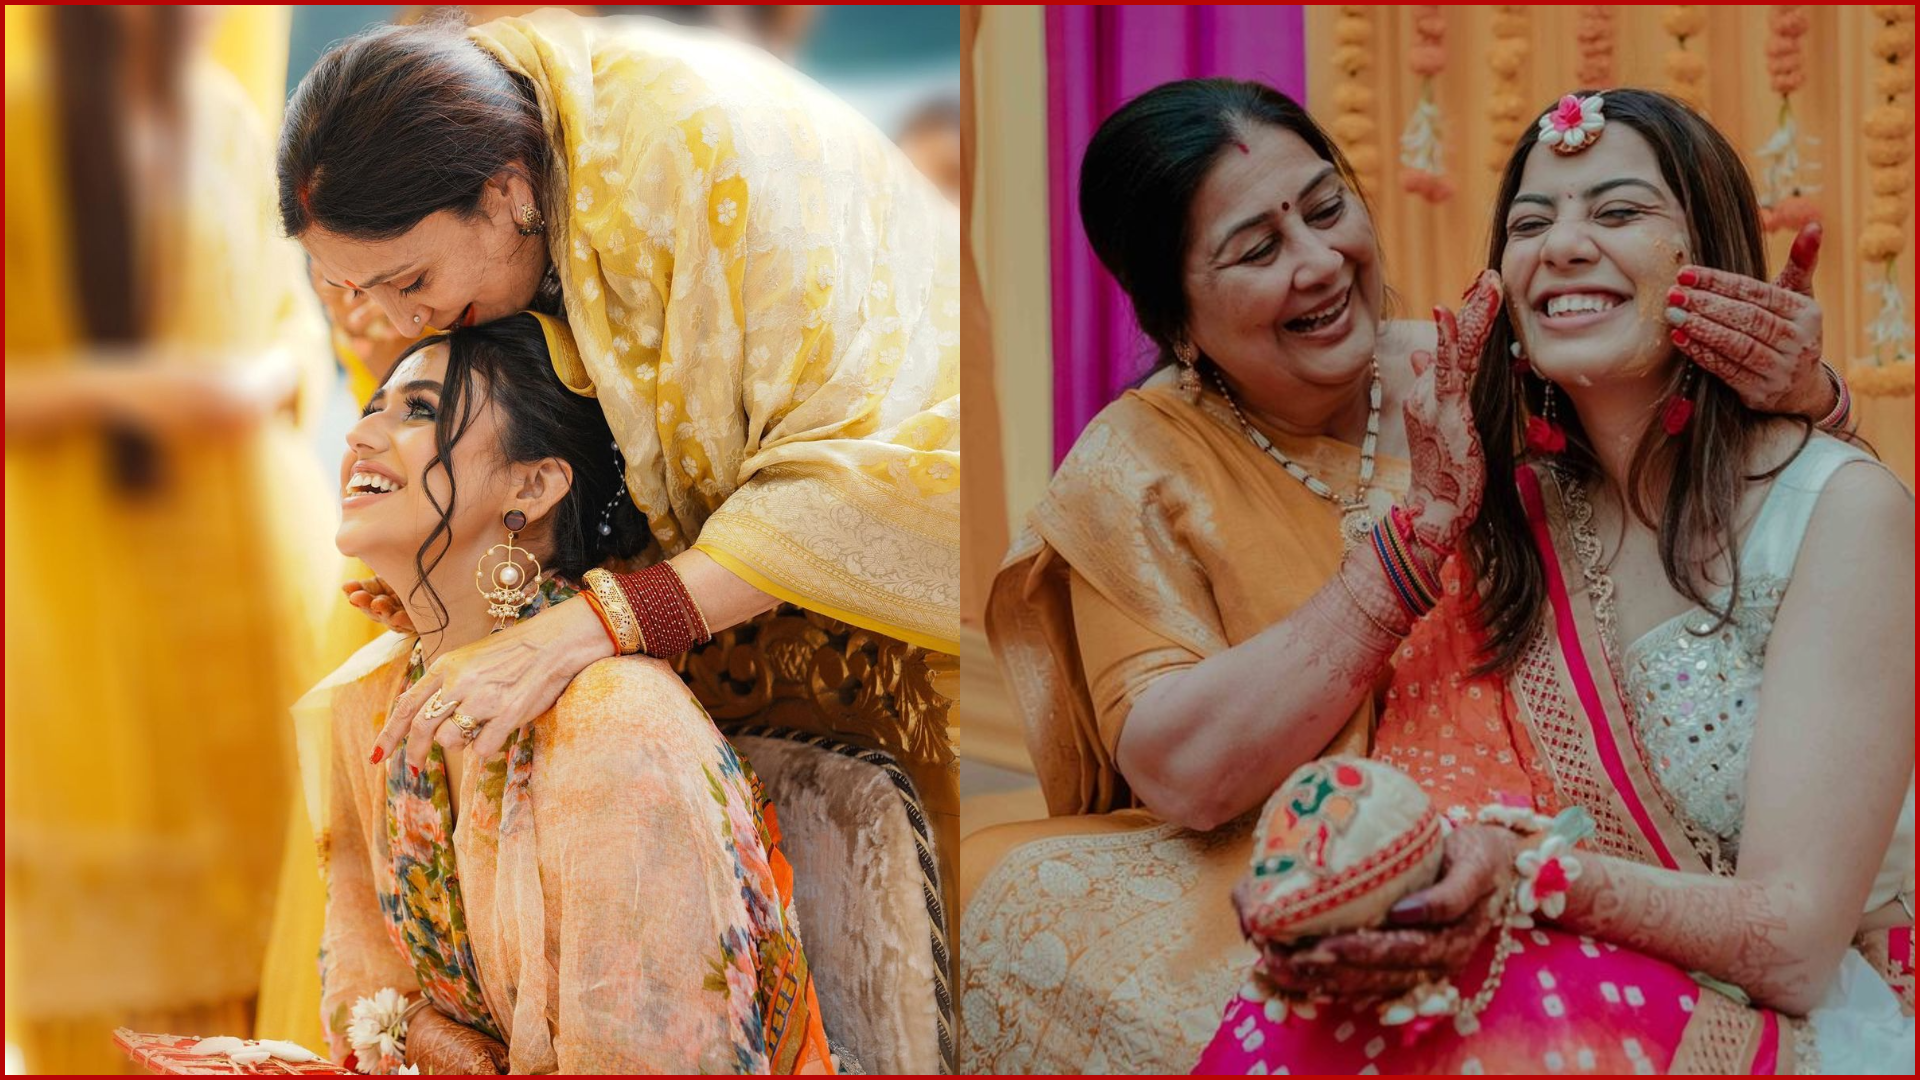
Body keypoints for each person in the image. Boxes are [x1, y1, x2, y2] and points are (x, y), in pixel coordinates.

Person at [959, 78, 1858, 1074]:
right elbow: (1180, 771)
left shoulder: (1476, 365)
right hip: (1279, 854)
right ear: (1178, 325)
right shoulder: (1133, 465)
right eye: (1258, 251)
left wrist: (1800, 395)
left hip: (1561, 834)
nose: (1319, 263)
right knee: (997, 890)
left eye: (1326, 206)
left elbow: (1727, 504)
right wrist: (1408, 547)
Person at [1196, 87, 1913, 1074]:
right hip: (1612, 965)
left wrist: (1524, 873)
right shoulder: (1507, 515)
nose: (1562, 246)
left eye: (1617, 213)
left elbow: (1792, 945)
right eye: (1531, 223)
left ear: (1711, 260)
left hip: (1819, 1005)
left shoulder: (1841, 513)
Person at [278, 7, 959, 779]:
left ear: (505, 194)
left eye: (412, 281)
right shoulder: (537, 181)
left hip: (914, 628)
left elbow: (854, 471)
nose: (407, 322)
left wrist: (575, 630)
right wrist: (487, 578)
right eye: (363, 291)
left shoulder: (690, 157)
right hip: (710, 659)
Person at [316, 313, 833, 1074]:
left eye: (420, 410)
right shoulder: (376, 698)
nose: (362, 436)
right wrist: (421, 1036)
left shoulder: (615, 728)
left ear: (533, 483)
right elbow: (364, 994)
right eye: (371, 409)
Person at [3, 7, 338, 1073]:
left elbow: (299, 323)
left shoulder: (229, 116)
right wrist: (142, 390)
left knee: (282, 944)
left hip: (261, 572)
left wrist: (251, 382)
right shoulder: (23, 126)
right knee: (114, 989)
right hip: (93, 606)